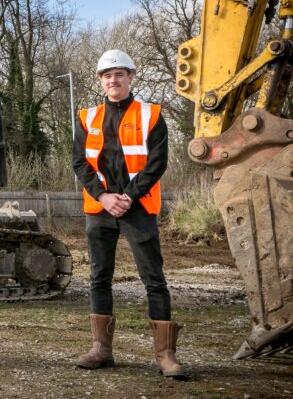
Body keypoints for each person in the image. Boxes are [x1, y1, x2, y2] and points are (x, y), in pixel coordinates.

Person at [72, 49, 186, 379]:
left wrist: (127, 198)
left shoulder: (151, 114)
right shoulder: (86, 117)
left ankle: (166, 356)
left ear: (131, 77)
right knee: (99, 277)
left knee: (154, 279)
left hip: (138, 208)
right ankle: (101, 350)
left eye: (119, 74)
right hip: (100, 208)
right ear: (100, 81)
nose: (113, 80)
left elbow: (157, 163)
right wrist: (105, 197)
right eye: (107, 76)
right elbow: (79, 162)